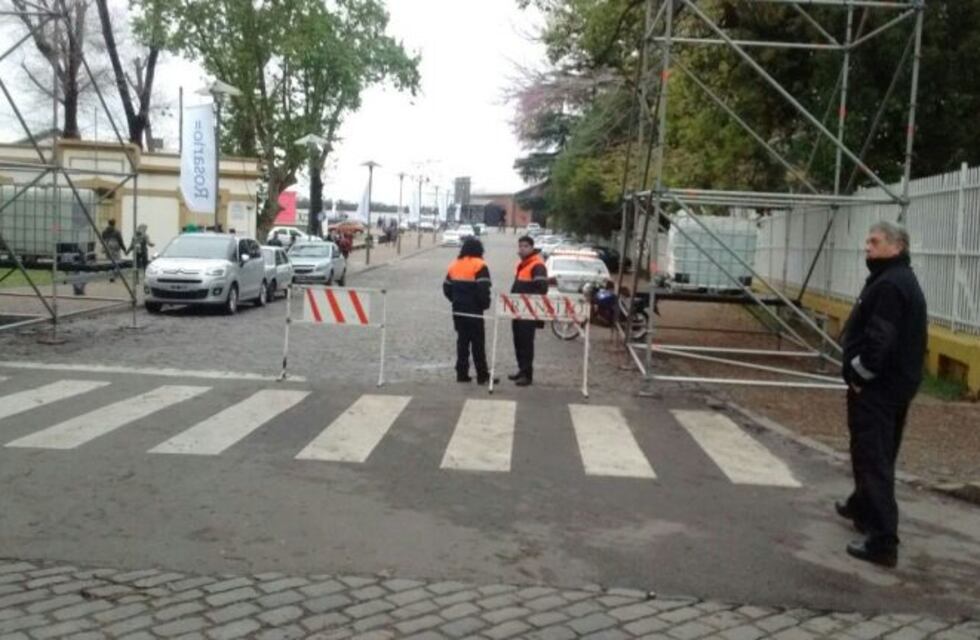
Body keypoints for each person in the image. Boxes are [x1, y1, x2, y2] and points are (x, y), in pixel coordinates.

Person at [836, 221, 927, 568]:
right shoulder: (897, 278)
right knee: (874, 450)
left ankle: (883, 540)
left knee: (873, 455)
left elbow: (880, 339)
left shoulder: (890, 284)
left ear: (897, 246)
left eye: (874, 242)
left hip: (878, 387)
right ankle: (862, 505)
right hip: (895, 384)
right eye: (867, 240)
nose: (867, 247)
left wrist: (859, 376)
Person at [443, 238, 497, 385]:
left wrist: (455, 300)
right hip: (474, 310)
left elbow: (446, 288)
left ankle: (461, 373)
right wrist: (483, 305)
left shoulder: (454, 265)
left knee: (462, 341)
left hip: (458, 309)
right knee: (478, 343)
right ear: (479, 250)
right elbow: (483, 289)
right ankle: (482, 375)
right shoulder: (480, 265)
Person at [509, 235, 548, 386]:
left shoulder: (537, 265)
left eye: (525, 246)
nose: (522, 249)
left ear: (532, 248)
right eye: (520, 246)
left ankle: (527, 375)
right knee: (518, 341)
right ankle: (521, 370)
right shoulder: (524, 264)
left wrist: (527, 302)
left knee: (526, 343)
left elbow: (542, 289)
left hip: (528, 312)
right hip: (518, 310)